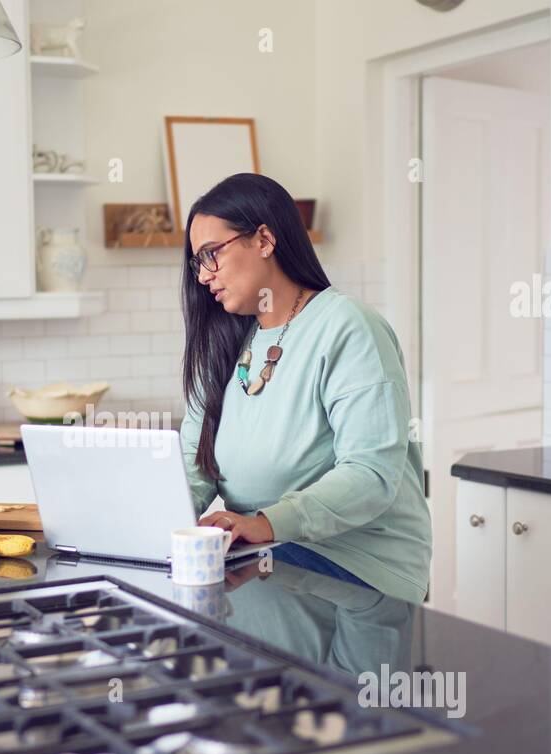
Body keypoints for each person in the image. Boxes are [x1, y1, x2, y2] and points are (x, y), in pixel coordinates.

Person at [180, 173, 432, 603]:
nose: (204, 277)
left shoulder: (349, 328)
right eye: (197, 262)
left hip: (353, 561)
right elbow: (194, 460)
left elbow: (370, 474)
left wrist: (268, 522)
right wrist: (145, 516)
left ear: (263, 239)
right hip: (267, 550)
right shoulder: (230, 341)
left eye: (211, 255)